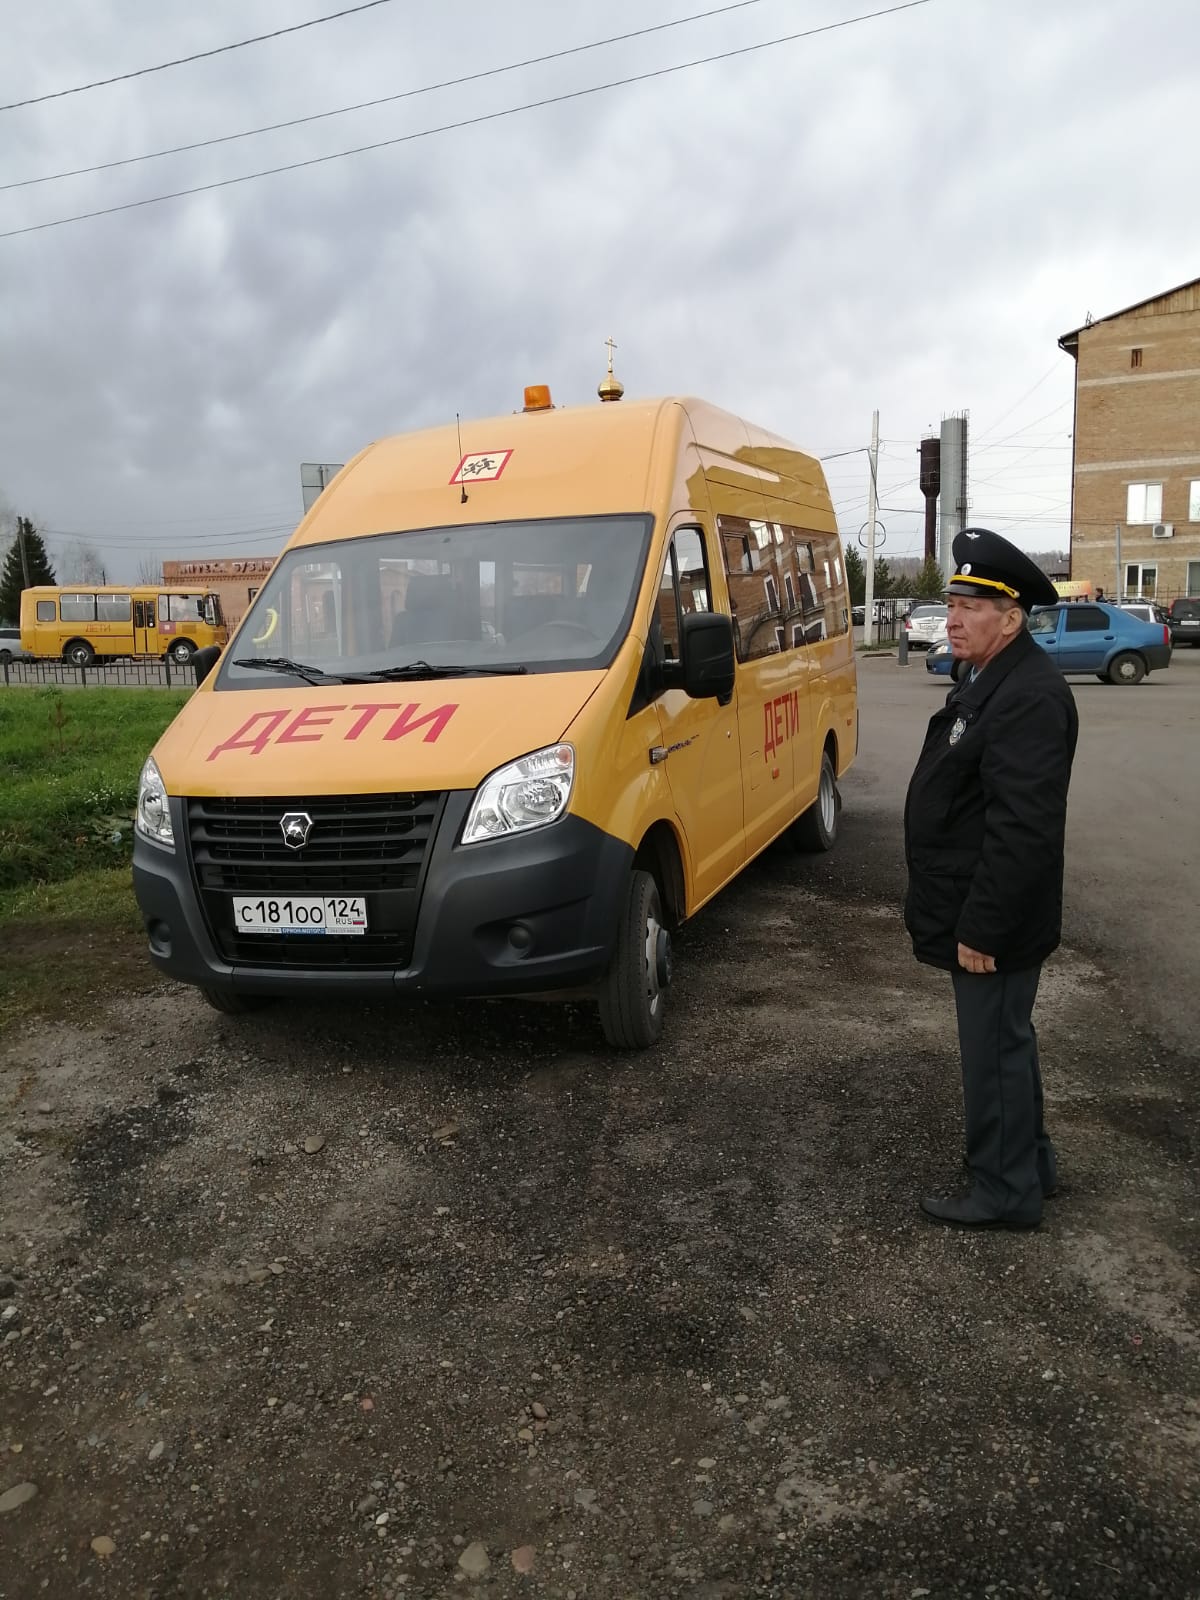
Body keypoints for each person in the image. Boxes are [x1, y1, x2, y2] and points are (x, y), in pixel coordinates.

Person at [904, 528, 1079, 1230]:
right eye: (951, 603)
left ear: (1010, 618)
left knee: (993, 1052)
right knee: (1007, 1041)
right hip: (980, 906)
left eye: (970, 606)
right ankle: (1028, 1165)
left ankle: (1004, 1190)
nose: (951, 617)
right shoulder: (992, 679)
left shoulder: (1029, 695)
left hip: (992, 917)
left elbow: (1023, 830)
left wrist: (982, 927)